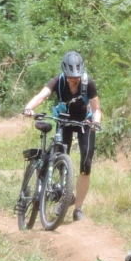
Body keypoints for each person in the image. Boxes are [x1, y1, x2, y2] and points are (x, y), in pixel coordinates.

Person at [21, 50, 101, 220]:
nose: (73, 79)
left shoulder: (89, 84)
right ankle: (65, 193)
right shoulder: (58, 81)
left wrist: (96, 122)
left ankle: (77, 208)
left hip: (84, 123)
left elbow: (96, 109)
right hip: (63, 120)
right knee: (59, 158)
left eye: (76, 76)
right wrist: (29, 107)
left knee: (86, 163)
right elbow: (41, 96)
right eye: (70, 76)